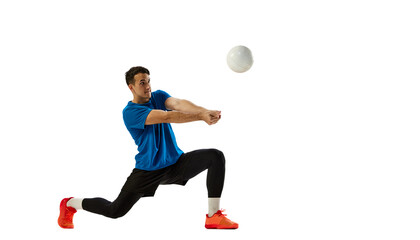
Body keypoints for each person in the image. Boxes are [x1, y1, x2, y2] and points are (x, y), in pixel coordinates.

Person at [58, 66, 238, 229]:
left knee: (215, 156)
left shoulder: (158, 96)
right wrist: (201, 116)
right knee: (114, 211)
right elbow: (167, 117)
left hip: (176, 163)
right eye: (142, 83)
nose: (148, 86)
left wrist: (204, 111)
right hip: (148, 171)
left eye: (149, 81)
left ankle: (213, 216)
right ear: (131, 87)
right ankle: (70, 203)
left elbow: (178, 104)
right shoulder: (130, 113)